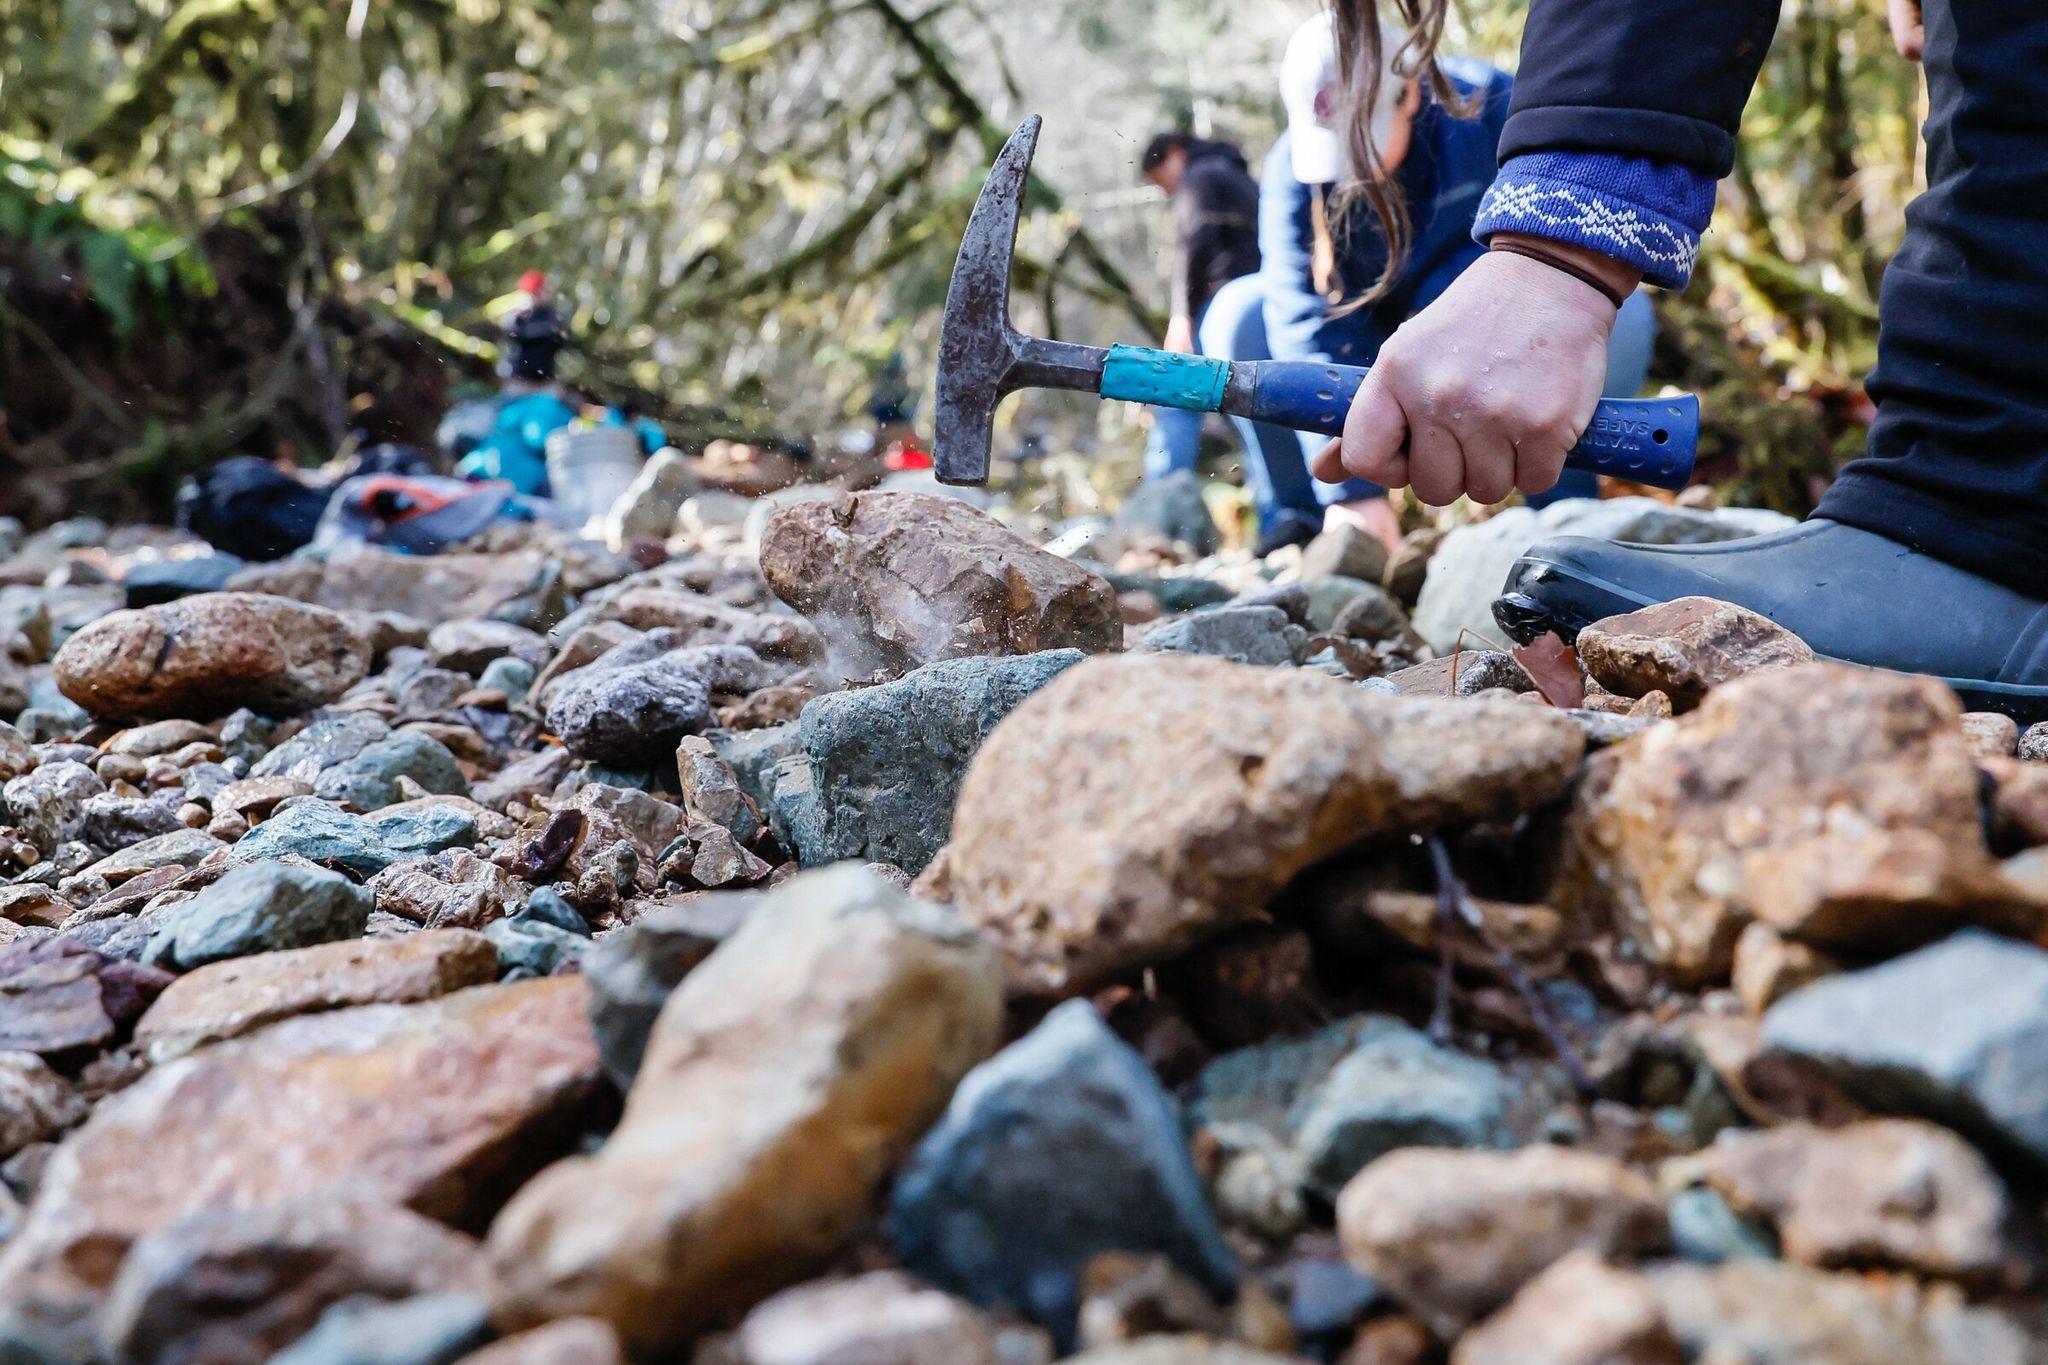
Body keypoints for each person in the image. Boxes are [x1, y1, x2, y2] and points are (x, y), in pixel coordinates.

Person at [1312, 0, 2048, 718]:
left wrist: (1559, 245)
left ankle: (1992, 519)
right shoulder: (1302, 176)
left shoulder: (1472, 106)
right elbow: (1297, 299)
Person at [1205, 13, 1656, 557]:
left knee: (1621, 314)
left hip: (1493, 328)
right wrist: (1353, 489)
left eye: (1365, 143)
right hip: (1364, 342)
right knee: (1239, 316)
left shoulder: (1490, 107)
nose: (1351, 173)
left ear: (1411, 95)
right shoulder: (1290, 175)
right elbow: (1300, 316)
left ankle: (1565, 506)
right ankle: (1304, 517)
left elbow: (1559, 245)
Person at [1137, 131, 1263, 480]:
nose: (1166, 190)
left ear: (1175, 155)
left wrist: (1181, 316)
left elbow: (1196, 244)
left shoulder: (1200, 179)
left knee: (1175, 391)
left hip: (1222, 305)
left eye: (1162, 180)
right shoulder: (1238, 177)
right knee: (1254, 413)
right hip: (1261, 306)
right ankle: (1279, 513)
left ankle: (1160, 498)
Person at [456, 270, 578, 495]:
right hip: (517, 384)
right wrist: (522, 312)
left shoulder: (552, 316)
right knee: (507, 432)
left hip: (545, 385)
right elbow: (511, 332)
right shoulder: (518, 316)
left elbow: (562, 338)